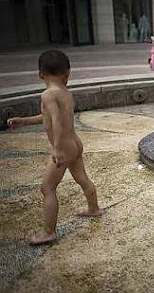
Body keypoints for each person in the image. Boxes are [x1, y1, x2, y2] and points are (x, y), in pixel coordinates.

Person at [7, 50, 101, 245]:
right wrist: (24, 121)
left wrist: (57, 149)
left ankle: (48, 232)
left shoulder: (47, 94)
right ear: (67, 73)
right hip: (75, 143)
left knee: (47, 188)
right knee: (82, 178)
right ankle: (94, 208)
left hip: (64, 148)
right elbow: (49, 117)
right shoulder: (65, 92)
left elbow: (56, 120)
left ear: (41, 74)